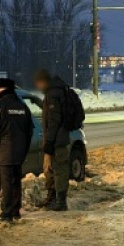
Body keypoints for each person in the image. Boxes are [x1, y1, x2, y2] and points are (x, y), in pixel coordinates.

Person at [0, 78, 33, 222]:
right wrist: (24, 149)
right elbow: (29, 131)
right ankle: (15, 211)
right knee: (16, 181)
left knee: (6, 183)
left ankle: (6, 213)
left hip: (3, 150)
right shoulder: (22, 106)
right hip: (19, 151)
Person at [34, 70, 71, 211]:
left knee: (59, 170)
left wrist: (48, 143)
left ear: (43, 82)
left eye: (38, 83)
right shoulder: (55, 93)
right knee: (50, 169)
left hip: (58, 140)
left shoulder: (53, 95)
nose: (37, 86)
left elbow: (53, 122)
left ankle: (61, 202)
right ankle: (52, 198)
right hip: (57, 138)